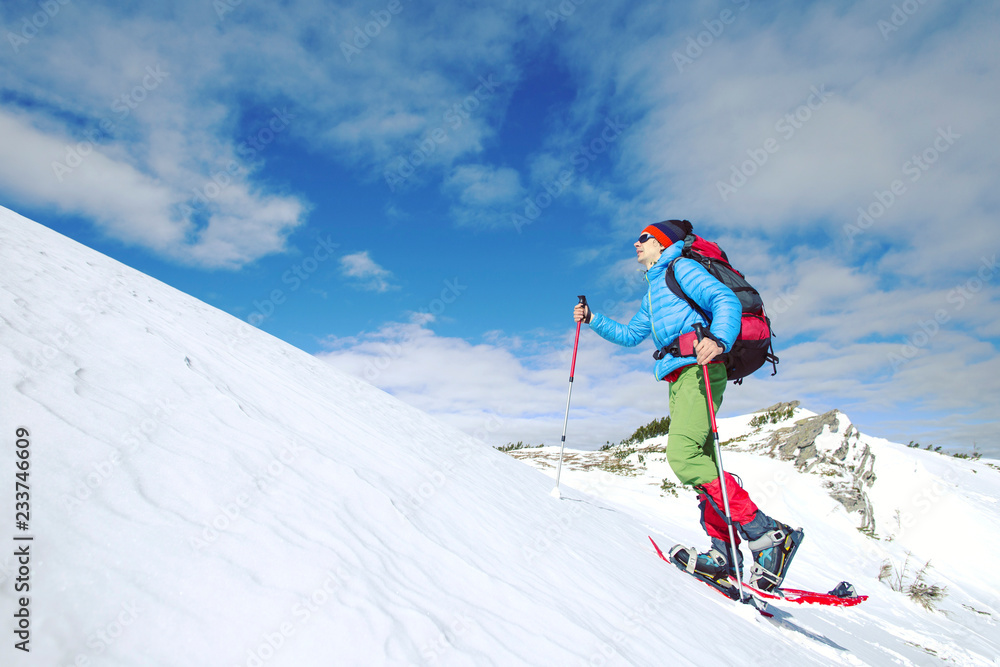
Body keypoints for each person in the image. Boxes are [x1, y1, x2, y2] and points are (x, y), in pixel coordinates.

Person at [573, 219, 803, 593]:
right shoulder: (654, 291)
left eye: (644, 238)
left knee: (682, 455)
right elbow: (631, 335)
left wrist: (719, 339)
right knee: (706, 465)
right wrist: (593, 318)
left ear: (662, 244)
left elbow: (724, 300)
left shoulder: (681, 267)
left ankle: (767, 537)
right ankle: (724, 553)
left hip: (701, 370)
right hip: (679, 377)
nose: (636, 243)